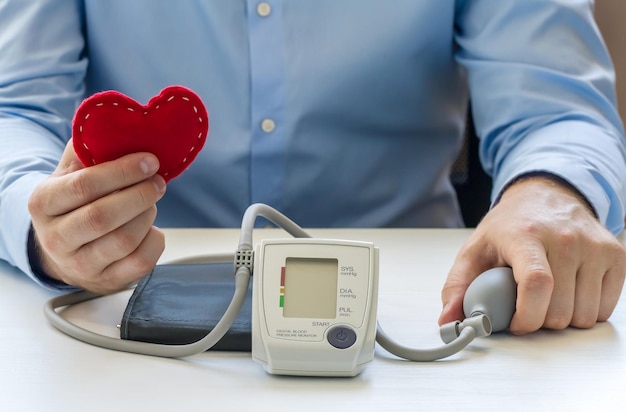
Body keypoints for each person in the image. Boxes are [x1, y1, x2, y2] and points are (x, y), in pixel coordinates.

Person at [1, 1, 625, 336]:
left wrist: (552, 191)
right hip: (127, 311)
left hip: (418, 317)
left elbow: (557, 110)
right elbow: (13, 108)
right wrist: (46, 225)